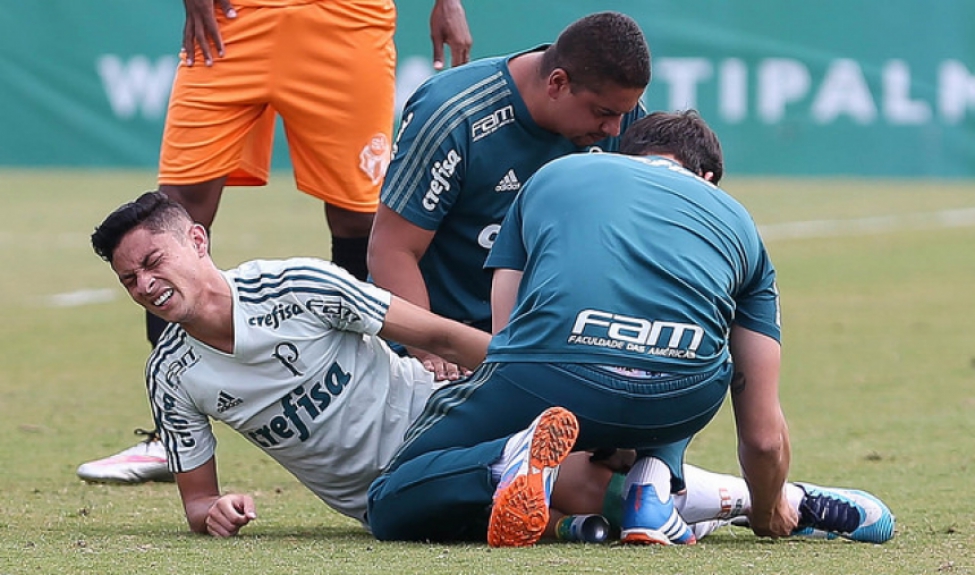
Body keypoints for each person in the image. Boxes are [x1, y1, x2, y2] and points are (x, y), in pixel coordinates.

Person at [89, 191, 775, 539]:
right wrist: (217, 510)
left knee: (577, 487)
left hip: (439, 422)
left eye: (153, 261)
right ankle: (779, 503)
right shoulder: (172, 374)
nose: (145, 285)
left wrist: (528, 375)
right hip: (380, 497)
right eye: (129, 281)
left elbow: (442, 336)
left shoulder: (298, 285)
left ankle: (523, 460)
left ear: (198, 240)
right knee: (597, 495)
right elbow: (197, 498)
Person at [366, 111, 897, 547]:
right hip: (676, 404)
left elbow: (508, 336)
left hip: (550, 377)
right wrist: (768, 515)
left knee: (388, 500)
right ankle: (656, 480)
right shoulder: (740, 225)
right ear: (707, 177)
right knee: (690, 353)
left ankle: (506, 460)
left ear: (623, 157)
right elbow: (761, 435)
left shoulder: (558, 174)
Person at [77, 0, 473, 484]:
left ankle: (393, 405)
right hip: (231, 18)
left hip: (344, 18)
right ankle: (169, 436)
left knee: (357, 218)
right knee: (176, 207)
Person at [367, 10, 648, 380]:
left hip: (543, 338)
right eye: (603, 113)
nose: (615, 128)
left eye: (622, 113)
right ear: (557, 83)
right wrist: (432, 351)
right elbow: (390, 249)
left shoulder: (623, 121)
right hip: (437, 337)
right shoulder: (454, 115)